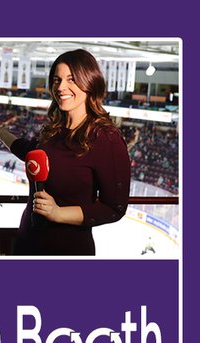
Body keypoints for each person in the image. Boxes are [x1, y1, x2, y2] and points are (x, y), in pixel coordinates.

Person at [13, 49, 131, 256]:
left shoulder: (106, 139)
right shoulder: (52, 131)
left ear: (90, 82)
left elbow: (114, 208)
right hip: (26, 244)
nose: (61, 87)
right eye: (57, 80)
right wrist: (3, 135)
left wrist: (58, 213)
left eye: (71, 79)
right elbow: (29, 151)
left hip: (66, 249)